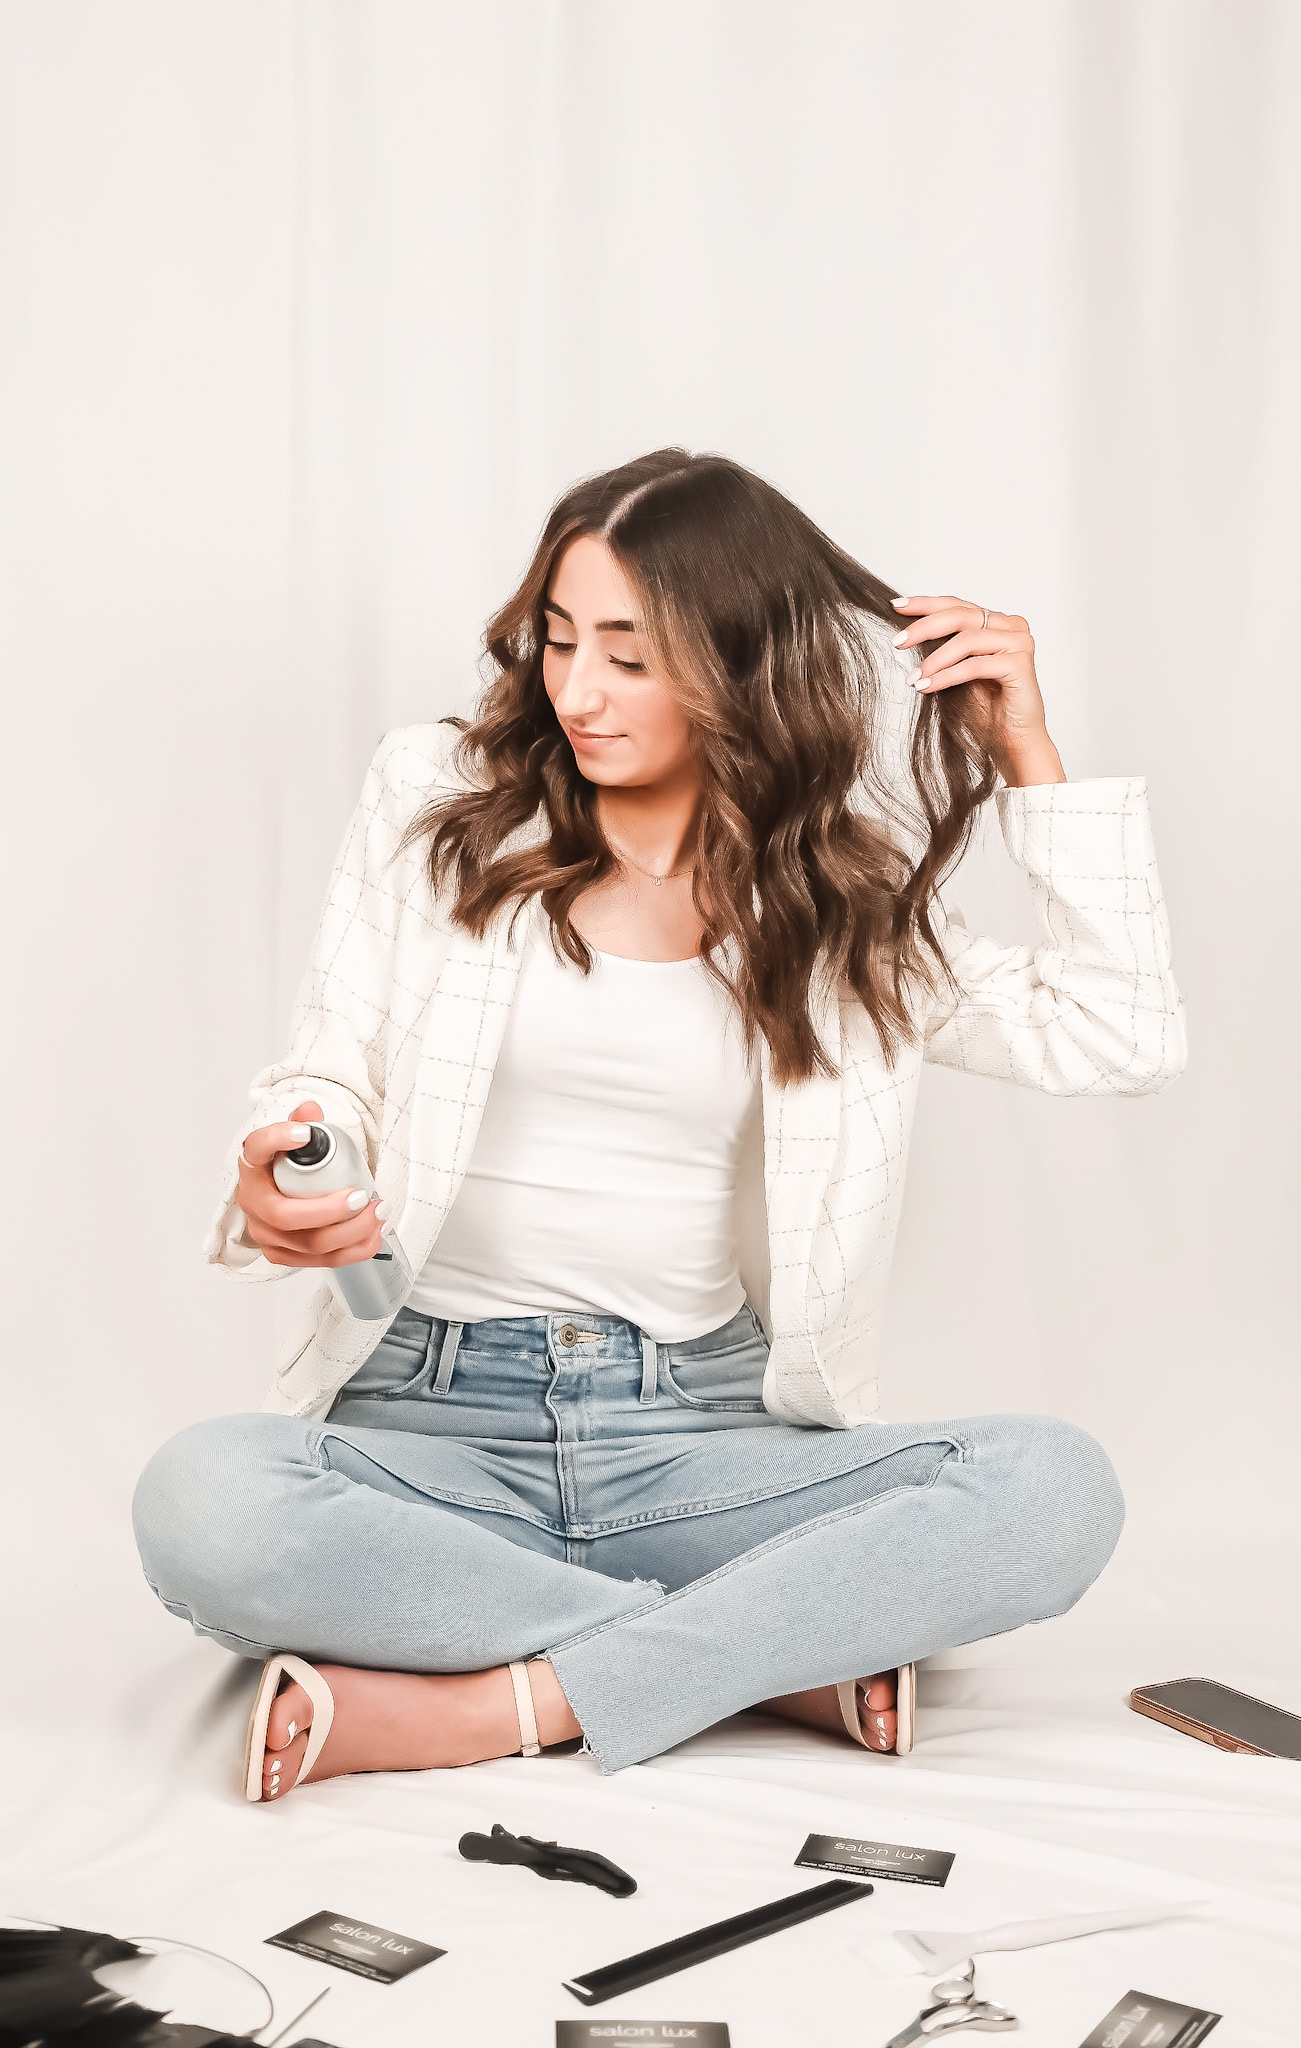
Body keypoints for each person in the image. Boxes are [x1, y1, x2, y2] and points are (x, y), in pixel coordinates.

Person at [132, 448, 1186, 1800]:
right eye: (560, 639)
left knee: (1052, 1487)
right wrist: (289, 1163)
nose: (576, 692)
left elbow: (1116, 1034)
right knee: (207, 1501)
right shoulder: (438, 795)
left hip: (697, 1436)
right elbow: (330, 1063)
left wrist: (1028, 755)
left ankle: (512, 1698)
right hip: (427, 1418)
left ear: (743, 663)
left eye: (630, 656)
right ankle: (761, 1653)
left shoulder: (834, 897)